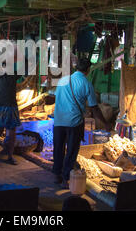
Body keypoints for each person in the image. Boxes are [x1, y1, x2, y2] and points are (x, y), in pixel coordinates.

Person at [53, 58, 109, 188]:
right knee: (72, 150)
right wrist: (105, 123)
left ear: (76, 68)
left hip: (59, 121)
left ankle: (56, 175)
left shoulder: (62, 80)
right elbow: (94, 107)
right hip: (74, 122)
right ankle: (66, 177)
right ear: (88, 70)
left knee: (58, 148)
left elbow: (59, 99)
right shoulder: (86, 84)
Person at [0, 67, 21, 165]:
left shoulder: (12, 74)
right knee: (0, 130)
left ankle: (10, 156)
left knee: (12, 132)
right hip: (3, 106)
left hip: (11, 106)